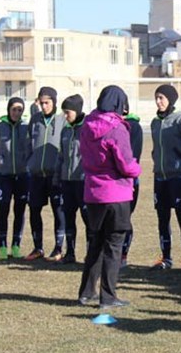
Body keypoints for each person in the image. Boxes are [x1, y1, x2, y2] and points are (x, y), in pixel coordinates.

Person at [77, 85, 141, 309]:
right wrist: (137, 169)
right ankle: (108, 296)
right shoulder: (117, 128)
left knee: (95, 243)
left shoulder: (87, 125)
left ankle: (86, 293)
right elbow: (125, 163)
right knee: (113, 245)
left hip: (93, 193)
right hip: (116, 194)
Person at [150, 84, 181, 271]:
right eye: (156, 98)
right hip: (160, 177)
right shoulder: (155, 123)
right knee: (162, 219)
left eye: (161, 98)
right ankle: (166, 258)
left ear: (170, 99)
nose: (158, 101)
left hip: (178, 178)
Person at [24, 86, 66, 261]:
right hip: (36, 175)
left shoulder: (63, 120)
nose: (44, 106)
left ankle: (58, 248)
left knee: (59, 211)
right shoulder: (35, 120)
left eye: (47, 103)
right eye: (41, 103)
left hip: (55, 176)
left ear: (54, 102)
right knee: (34, 210)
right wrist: (30, 163)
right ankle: (38, 248)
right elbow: (28, 144)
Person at [0, 97, 30, 260]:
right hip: (3, 175)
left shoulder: (26, 127)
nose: (16, 112)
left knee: (20, 211)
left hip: (22, 175)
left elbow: (30, 146)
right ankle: (2, 246)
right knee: (3, 209)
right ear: (8, 110)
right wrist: (1, 158)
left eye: (20, 110)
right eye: (14, 109)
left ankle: (16, 245)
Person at [54, 95, 88, 264]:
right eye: (64, 112)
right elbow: (61, 156)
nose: (65, 116)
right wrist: (57, 177)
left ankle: (91, 253)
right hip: (66, 181)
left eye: (68, 112)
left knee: (88, 218)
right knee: (68, 218)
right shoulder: (66, 130)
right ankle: (70, 252)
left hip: (83, 181)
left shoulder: (87, 129)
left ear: (77, 111)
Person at [121, 101, 143, 267]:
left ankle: (123, 255)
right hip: (110, 182)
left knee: (124, 218)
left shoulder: (134, 127)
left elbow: (132, 156)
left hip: (128, 181)